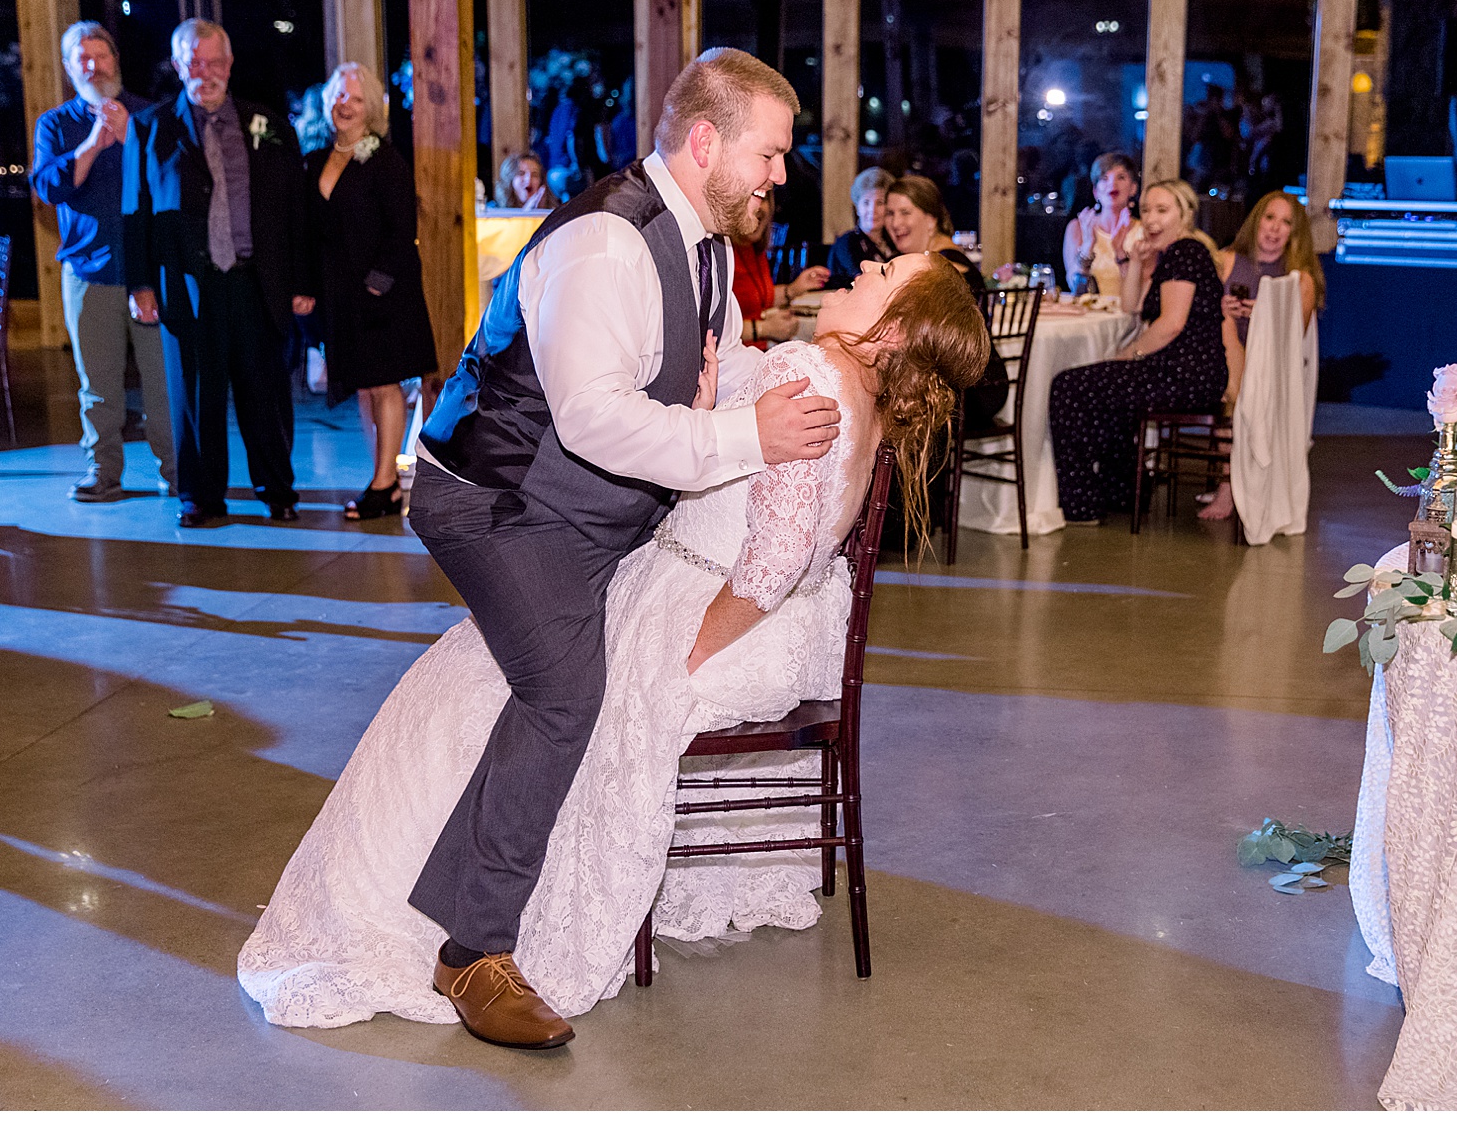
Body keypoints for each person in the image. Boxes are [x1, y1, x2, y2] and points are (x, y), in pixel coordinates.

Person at [238, 250, 988, 1034]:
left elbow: (771, 562)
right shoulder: (860, 391)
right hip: (780, 628)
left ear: (893, 330)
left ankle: (434, 912)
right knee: (489, 667)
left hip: (714, 608)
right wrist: (709, 407)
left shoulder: (810, 370)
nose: (866, 264)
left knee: (493, 679)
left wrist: (688, 651)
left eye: (886, 271)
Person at [296, 47, 849, 1051]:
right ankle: (473, 952)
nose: (780, 173)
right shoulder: (604, 244)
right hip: (494, 503)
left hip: (592, 512)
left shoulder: (709, 243)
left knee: (575, 671)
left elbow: (676, 389)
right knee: (564, 693)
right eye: (770, 153)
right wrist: (747, 436)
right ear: (706, 141)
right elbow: (594, 422)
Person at [122, 18, 312, 528]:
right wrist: (140, 283)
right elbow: (133, 210)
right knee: (195, 397)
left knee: (265, 394)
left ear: (229, 66)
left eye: (214, 62)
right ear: (179, 65)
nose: (204, 72)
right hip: (186, 286)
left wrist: (302, 281)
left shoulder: (268, 124)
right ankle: (201, 497)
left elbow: (295, 210)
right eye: (194, 62)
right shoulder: (149, 127)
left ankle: (278, 489)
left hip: (257, 281)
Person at [32, 21, 176, 504]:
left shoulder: (149, 114)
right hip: (88, 274)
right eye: (82, 59)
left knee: (162, 384)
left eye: (102, 56)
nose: (94, 66)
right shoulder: (55, 124)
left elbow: (169, 182)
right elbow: (50, 187)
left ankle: (178, 472)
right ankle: (104, 472)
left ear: (116, 60)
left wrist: (130, 135)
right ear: (70, 68)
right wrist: (93, 143)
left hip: (150, 277)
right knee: (98, 386)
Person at [300, 63, 439, 520]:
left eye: (356, 99)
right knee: (363, 387)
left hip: (383, 292)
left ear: (372, 109)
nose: (345, 105)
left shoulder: (385, 159)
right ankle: (378, 475)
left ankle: (385, 484)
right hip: (340, 295)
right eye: (339, 96)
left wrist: (376, 285)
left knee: (384, 383)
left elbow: (402, 230)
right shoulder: (316, 159)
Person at [1049, 179, 1226, 525]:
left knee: (1069, 387)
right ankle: (1121, 492)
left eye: (1163, 210)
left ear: (1185, 215)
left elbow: (1172, 324)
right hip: (1185, 371)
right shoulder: (1172, 255)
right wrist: (1127, 258)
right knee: (1104, 391)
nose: (1151, 218)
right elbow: (1133, 307)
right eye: (1146, 210)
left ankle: (1082, 504)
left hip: (1186, 374)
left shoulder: (1185, 252)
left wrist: (1128, 354)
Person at [1196, 190, 1325, 522]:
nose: (1274, 229)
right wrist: (1220, 309)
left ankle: (1240, 485)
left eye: (1285, 223)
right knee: (1228, 385)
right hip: (1223, 355)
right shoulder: (1227, 260)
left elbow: (1295, 339)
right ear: (1256, 221)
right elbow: (1196, 316)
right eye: (1269, 218)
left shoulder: (1301, 278)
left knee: (1237, 394)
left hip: (1271, 367)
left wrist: (1264, 314)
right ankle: (1230, 486)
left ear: (1294, 233)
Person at [732, 191, 826, 348]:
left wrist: (794, 289)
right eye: (750, 198)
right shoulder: (722, 252)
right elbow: (713, 329)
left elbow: (757, 298)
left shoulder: (754, 250)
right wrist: (764, 328)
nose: (759, 207)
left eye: (763, 199)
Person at [881, 175, 985, 300]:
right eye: (890, 213)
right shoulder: (905, 259)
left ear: (931, 220)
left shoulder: (949, 267)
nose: (895, 223)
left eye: (905, 212)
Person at [1061, 151, 1141, 298]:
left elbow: (1141, 289)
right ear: (1095, 191)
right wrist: (1088, 245)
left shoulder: (1143, 231)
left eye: (1121, 177)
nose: (1112, 183)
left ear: (1133, 188)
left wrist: (1120, 253)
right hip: (1089, 316)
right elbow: (1076, 288)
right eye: (1104, 178)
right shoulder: (1077, 228)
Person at [824, 166, 896, 291]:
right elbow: (862, 280)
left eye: (879, 203)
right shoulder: (846, 242)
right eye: (866, 203)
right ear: (857, 207)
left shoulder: (894, 242)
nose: (872, 210)